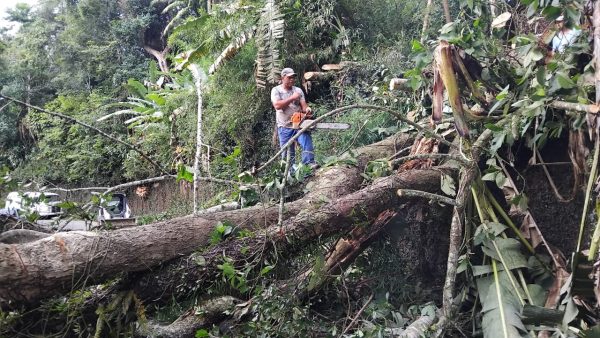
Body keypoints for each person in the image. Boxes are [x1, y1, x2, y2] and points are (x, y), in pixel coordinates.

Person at [271, 67, 319, 170]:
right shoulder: (276, 90)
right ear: (283, 78)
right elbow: (277, 106)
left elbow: (304, 106)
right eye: (289, 77)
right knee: (287, 154)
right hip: (284, 127)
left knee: (306, 140)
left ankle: (309, 163)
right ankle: (289, 174)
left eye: (293, 77)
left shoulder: (298, 90)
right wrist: (292, 98)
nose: (292, 79)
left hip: (298, 124)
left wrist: (307, 111)